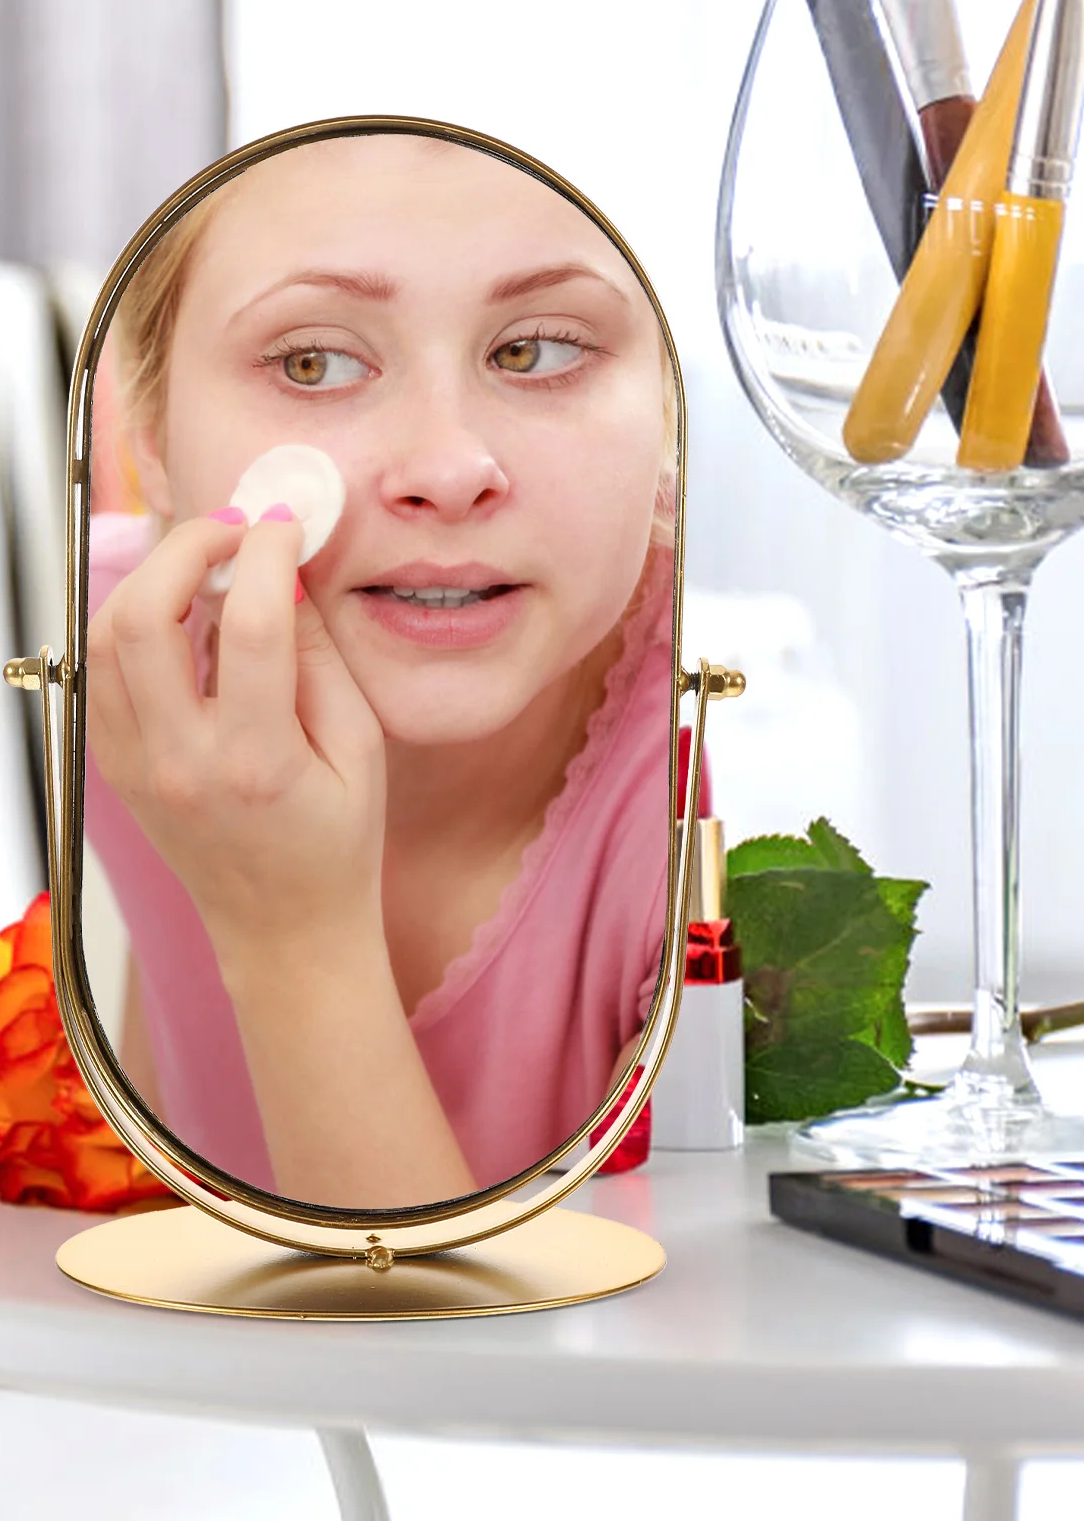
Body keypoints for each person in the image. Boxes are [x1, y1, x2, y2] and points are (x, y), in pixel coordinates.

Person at [83, 131, 679, 1209]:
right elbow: (174, 1155)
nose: (448, 472)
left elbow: (466, 1379)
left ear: (667, 433)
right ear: (153, 442)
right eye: (312, 362)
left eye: (536, 350)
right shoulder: (128, 655)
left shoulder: (711, 801)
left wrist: (291, 935)